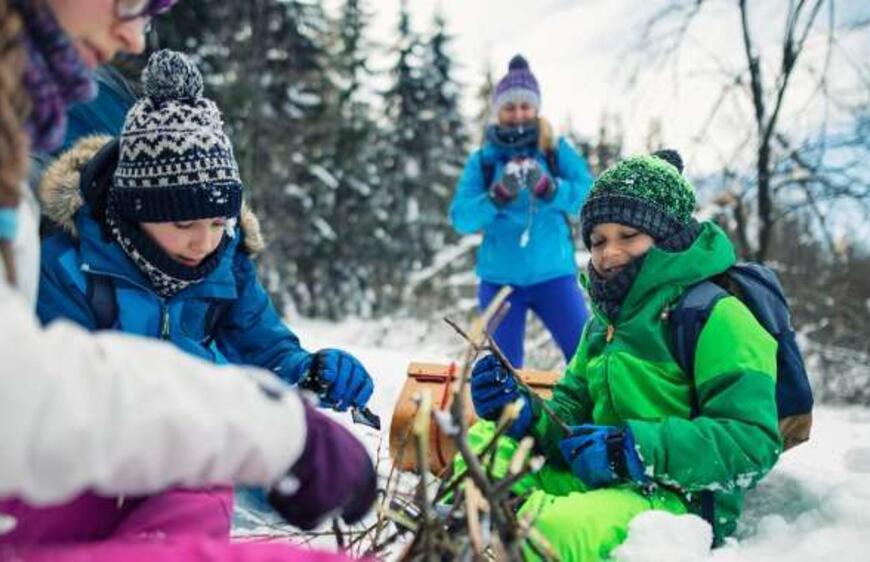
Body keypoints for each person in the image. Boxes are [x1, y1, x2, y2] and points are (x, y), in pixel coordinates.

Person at [0, 1, 374, 560]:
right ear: (134, 210)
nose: (205, 242)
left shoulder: (225, 261)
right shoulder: (70, 263)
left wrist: (307, 376)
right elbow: (51, 400)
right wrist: (253, 418)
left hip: (164, 447)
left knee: (199, 478)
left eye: (218, 224)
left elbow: (264, 347)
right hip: (83, 470)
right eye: (183, 224)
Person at [463, 151, 781, 560]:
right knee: (483, 444)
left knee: (552, 531)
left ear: (667, 235)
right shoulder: (602, 324)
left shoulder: (716, 316)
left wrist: (634, 449)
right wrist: (526, 414)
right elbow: (570, 411)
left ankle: (506, 530)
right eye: (597, 240)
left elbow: (753, 442)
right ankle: (482, 524)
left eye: (628, 236)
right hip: (603, 479)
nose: (609, 253)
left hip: (678, 499)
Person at [449, 54, 594, 368]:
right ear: (498, 111)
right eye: (510, 107)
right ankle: (509, 418)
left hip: (554, 275)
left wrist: (550, 189)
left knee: (587, 358)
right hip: (499, 282)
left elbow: (589, 196)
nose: (518, 114)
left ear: (536, 108)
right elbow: (461, 217)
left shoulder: (555, 151)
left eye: (525, 106)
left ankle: (593, 415)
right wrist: (497, 195)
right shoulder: (484, 160)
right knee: (505, 373)